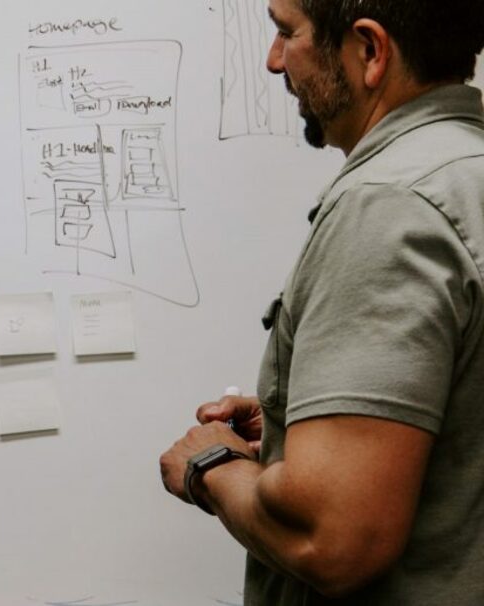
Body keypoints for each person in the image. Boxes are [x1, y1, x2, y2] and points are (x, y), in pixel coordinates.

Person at [159, 0, 484, 603]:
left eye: (287, 33)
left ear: (369, 50)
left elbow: (333, 539)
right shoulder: (466, 172)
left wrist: (211, 467)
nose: (274, 60)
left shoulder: (388, 205)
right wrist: (296, 422)